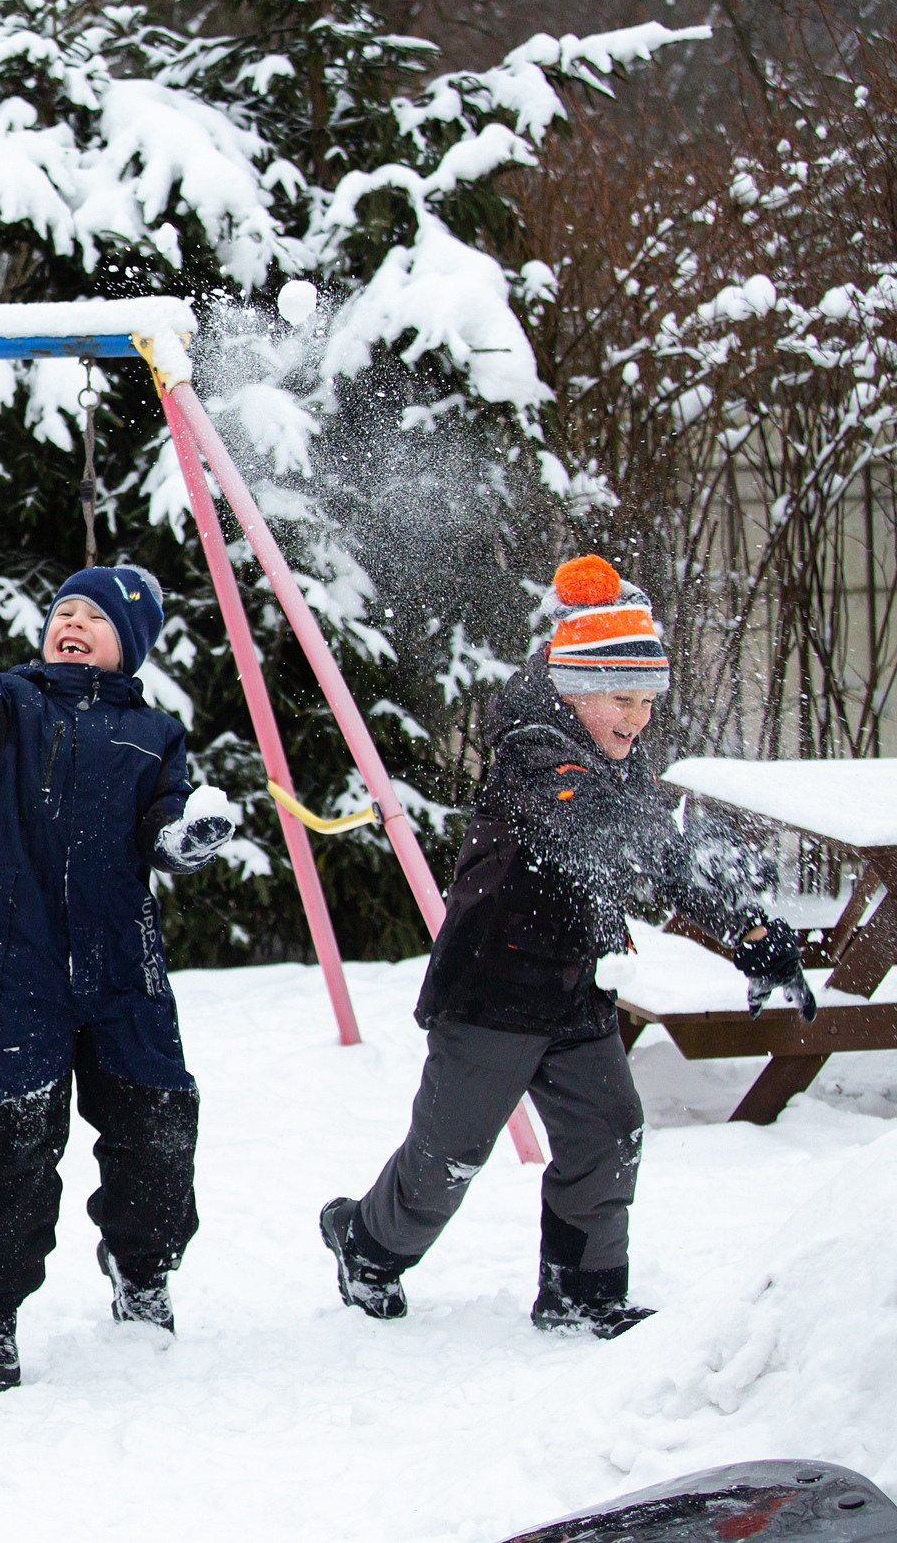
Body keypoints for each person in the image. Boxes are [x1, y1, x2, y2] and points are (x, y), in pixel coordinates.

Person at [321, 555, 803, 1338]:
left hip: (578, 985)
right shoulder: (534, 749)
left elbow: (655, 849)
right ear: (577, 684)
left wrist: (746, 928)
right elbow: (609, 836)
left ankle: (583, 1293)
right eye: (623, 698)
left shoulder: (608, 745)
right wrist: (674, 853)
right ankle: (367, 1246)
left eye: (648, 700)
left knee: (608, 1133)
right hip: (494, 987)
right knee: (450, 1156)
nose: (638, 718)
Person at [0, 551, 237, 1391]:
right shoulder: (9, 707)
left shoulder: (153, 734)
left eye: (97, 619)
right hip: (24, 960)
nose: (73, 623)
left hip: (125, 966)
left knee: (157, 1125)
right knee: (13, 1133)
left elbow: (166, 820)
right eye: (64, 612)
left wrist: (184, 839)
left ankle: (142, 1268)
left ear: (131, 647)